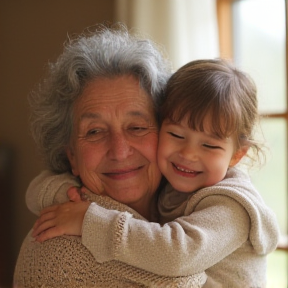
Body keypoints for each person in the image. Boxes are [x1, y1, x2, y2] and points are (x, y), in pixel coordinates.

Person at [24, 59, 279, 287]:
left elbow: (177, 254)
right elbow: (46, 185)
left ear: (237, 155)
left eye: (136, 127)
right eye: (176, 135)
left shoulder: (232, 208)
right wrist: (60, 196)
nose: (188, 154)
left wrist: (90, 220)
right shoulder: (174, 183)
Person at [13, 24, 208, 288]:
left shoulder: (197, 207)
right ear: (71, 155)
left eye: (137, 127)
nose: (119, 150)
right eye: (94, 132)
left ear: (167, 134)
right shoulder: (56, 256)